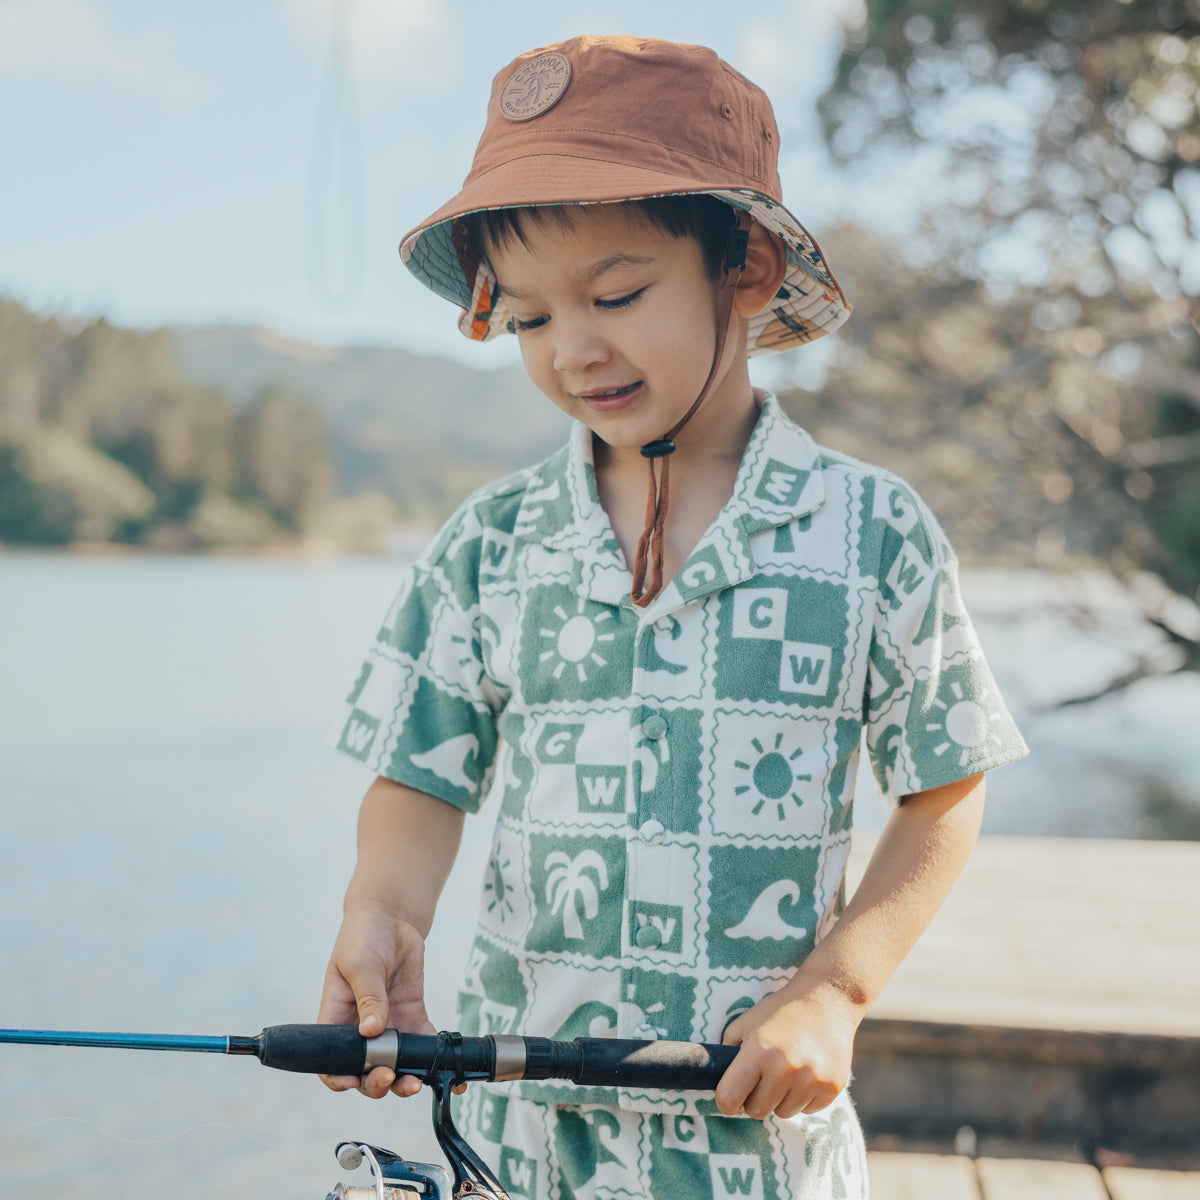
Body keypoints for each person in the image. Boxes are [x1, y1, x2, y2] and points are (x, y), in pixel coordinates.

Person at [318, 34, 1028, 1200]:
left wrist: (836, 992)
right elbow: (421, 772)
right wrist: (381, 912)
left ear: (742, 267)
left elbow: (945, 785)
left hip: (757, 1140)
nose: (573, 349)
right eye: (531, 318)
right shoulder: (490, 542)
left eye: (616, 294)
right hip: (523, 1131)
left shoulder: (871, 530)